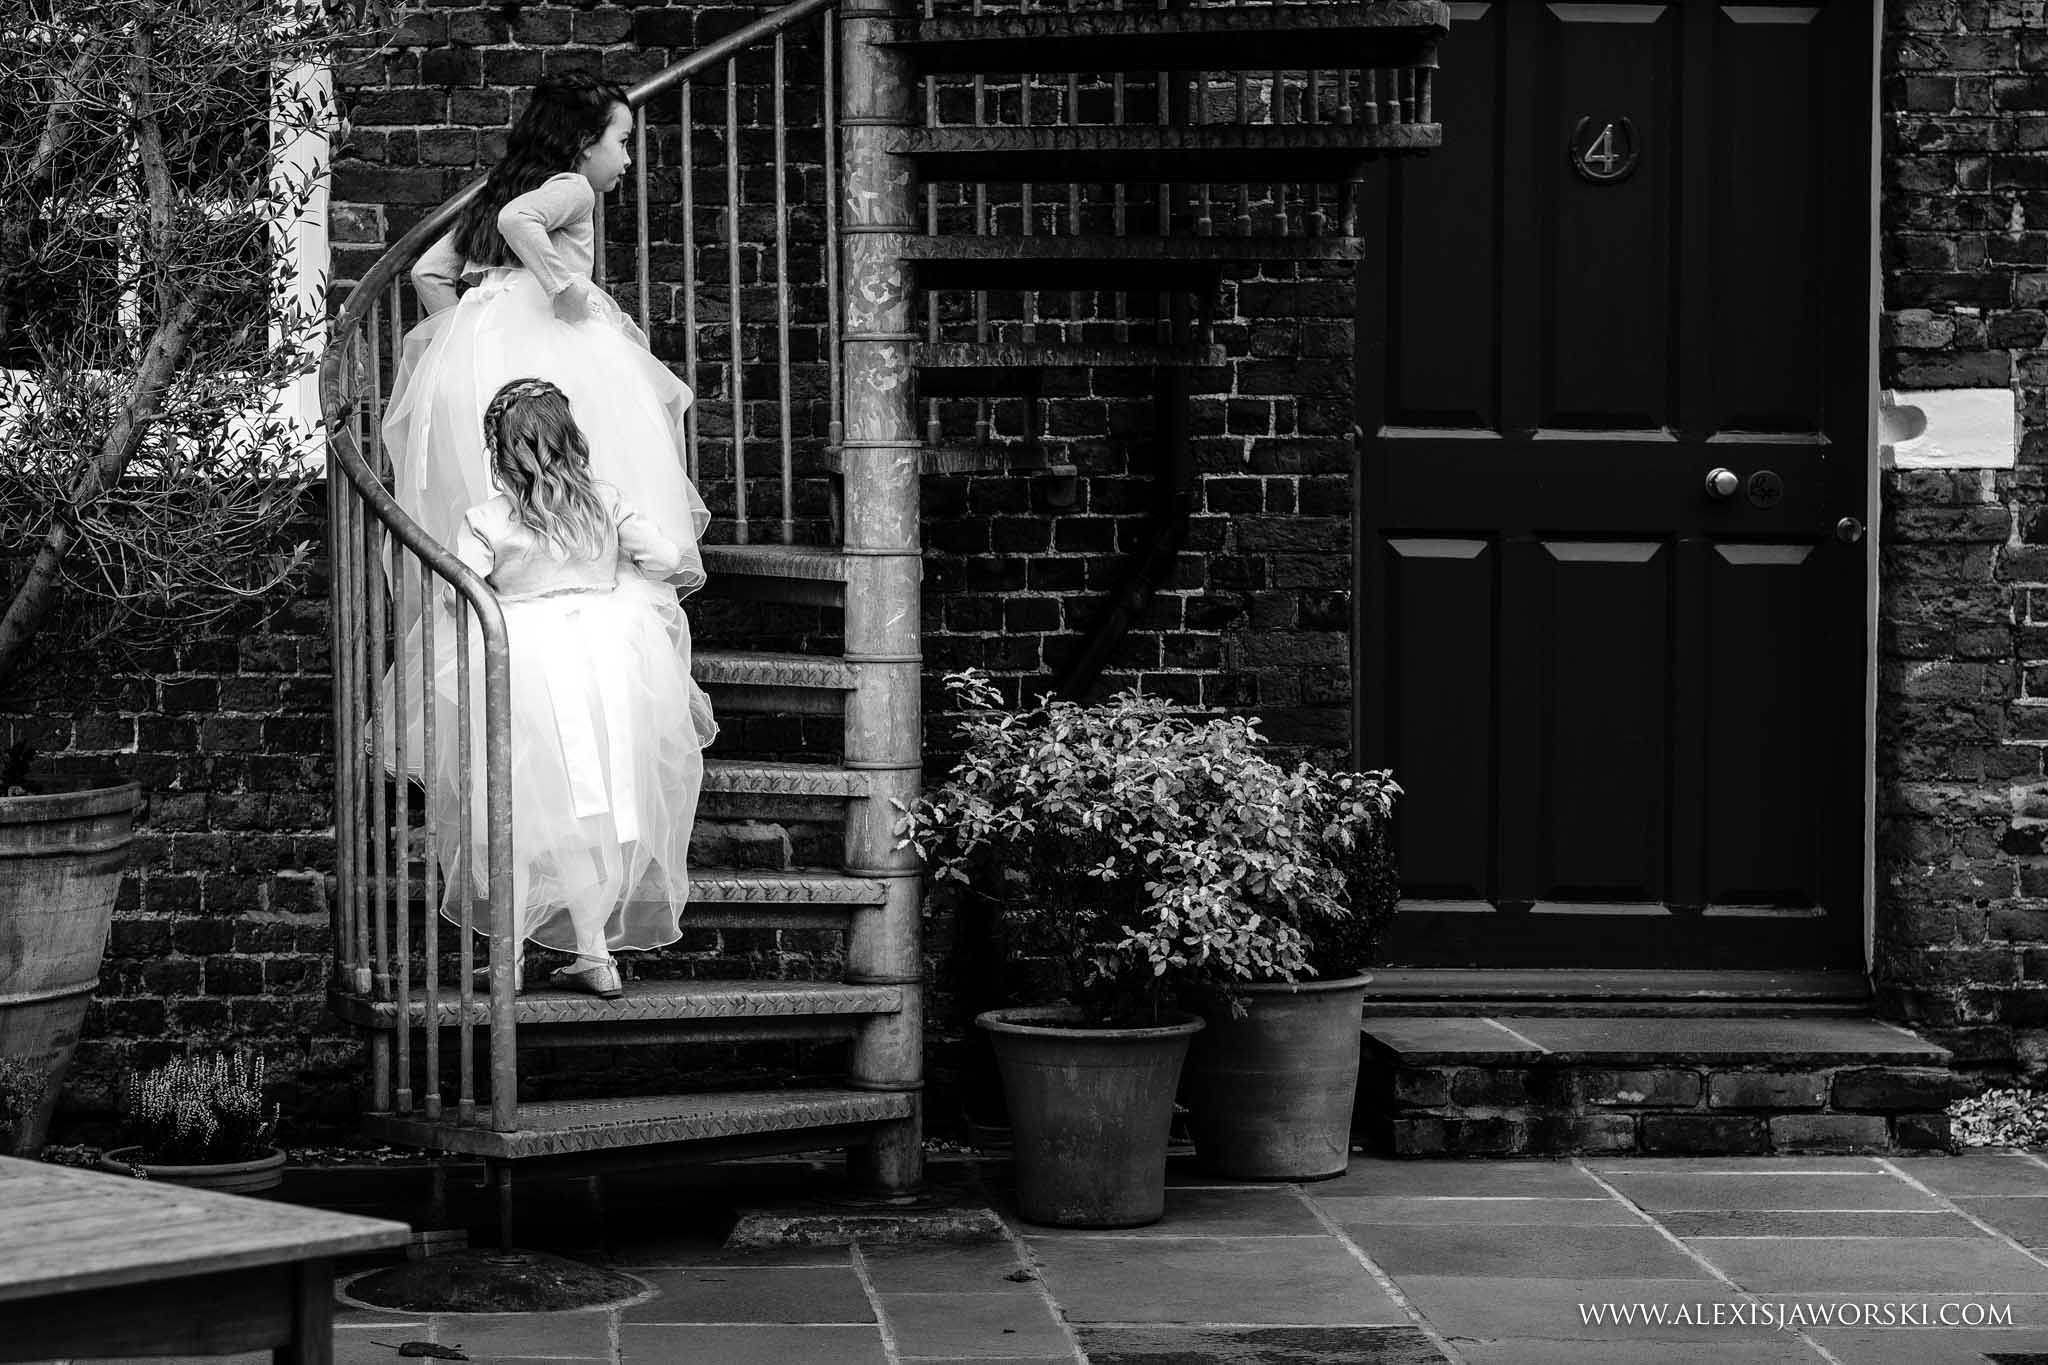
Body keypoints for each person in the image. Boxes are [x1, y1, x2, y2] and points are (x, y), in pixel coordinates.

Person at [383, 73, 709, 631]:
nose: (628, 159)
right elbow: (518, 222)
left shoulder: (498, 191)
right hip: (551, 346)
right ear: (584, 143)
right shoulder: (573, 188)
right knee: (590, 466)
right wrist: (561, 287)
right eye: (622, 142)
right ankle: (590, 612)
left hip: (479, 363)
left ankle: (507, 613)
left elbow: (429, 272)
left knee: (501, 487)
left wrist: (460, 341)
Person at [433, 378, 708, 998]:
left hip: (525, 670)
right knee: (592, 811)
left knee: (516, 809)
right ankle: (595, 956)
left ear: (499, 450)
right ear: (571, 438)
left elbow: (457, 594)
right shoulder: (605, 503)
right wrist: (620, 573)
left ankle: (509, 960)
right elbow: (669, 560)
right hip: (609, 665)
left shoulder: (487, 520)